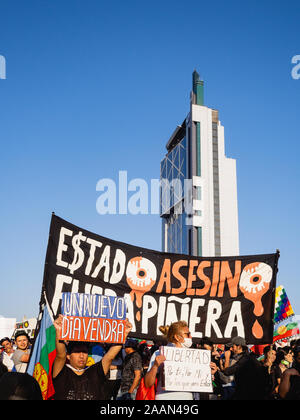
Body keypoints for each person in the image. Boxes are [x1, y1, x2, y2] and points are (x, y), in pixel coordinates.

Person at [52, 314, 132, 400]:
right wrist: (59, 331)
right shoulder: (62, 373)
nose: (82, 355)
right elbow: (60, 356)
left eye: (85, 352)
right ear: (68, 356)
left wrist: (123, 334)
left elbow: (109, 357)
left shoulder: (95, 372)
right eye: (77, 352)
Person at [144, 320, 194, 400]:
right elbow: (147, 383)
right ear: (177, 337)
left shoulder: (194, 356)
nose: (191, 337)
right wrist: (155, 366)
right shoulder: (159, 353)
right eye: (188, 334)